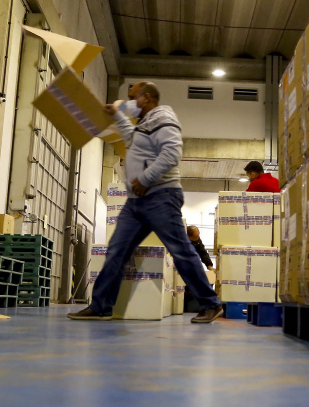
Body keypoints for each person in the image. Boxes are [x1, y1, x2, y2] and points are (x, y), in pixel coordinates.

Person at [68, 82, 223, 323]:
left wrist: (145, 179)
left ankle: (211, 304)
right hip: (136, 201)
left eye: (132, 98)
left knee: (181, 250)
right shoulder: (143, 126)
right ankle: (100, 306)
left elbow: (171, 155)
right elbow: (131, 140)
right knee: (117, 251)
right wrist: (118, 115)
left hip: (160, 195)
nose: (128, 102)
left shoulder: (164, 119)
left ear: (146, 98)